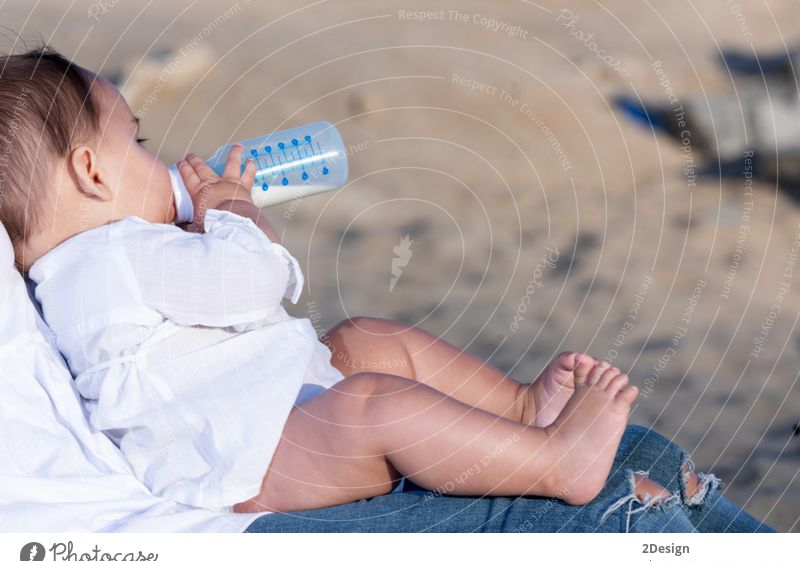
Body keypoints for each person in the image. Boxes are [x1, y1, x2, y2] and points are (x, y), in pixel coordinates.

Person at [0, 46, 769, 531]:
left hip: (261, 423)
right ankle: (554, 461)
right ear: (91, 173)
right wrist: (229, 212)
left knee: (368, 340)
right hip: (251, 465)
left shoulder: (84, 271)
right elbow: (250, 283)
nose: (152, 156)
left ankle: (524, 409)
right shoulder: (113, 257)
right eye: (136, 140)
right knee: (376, 403)